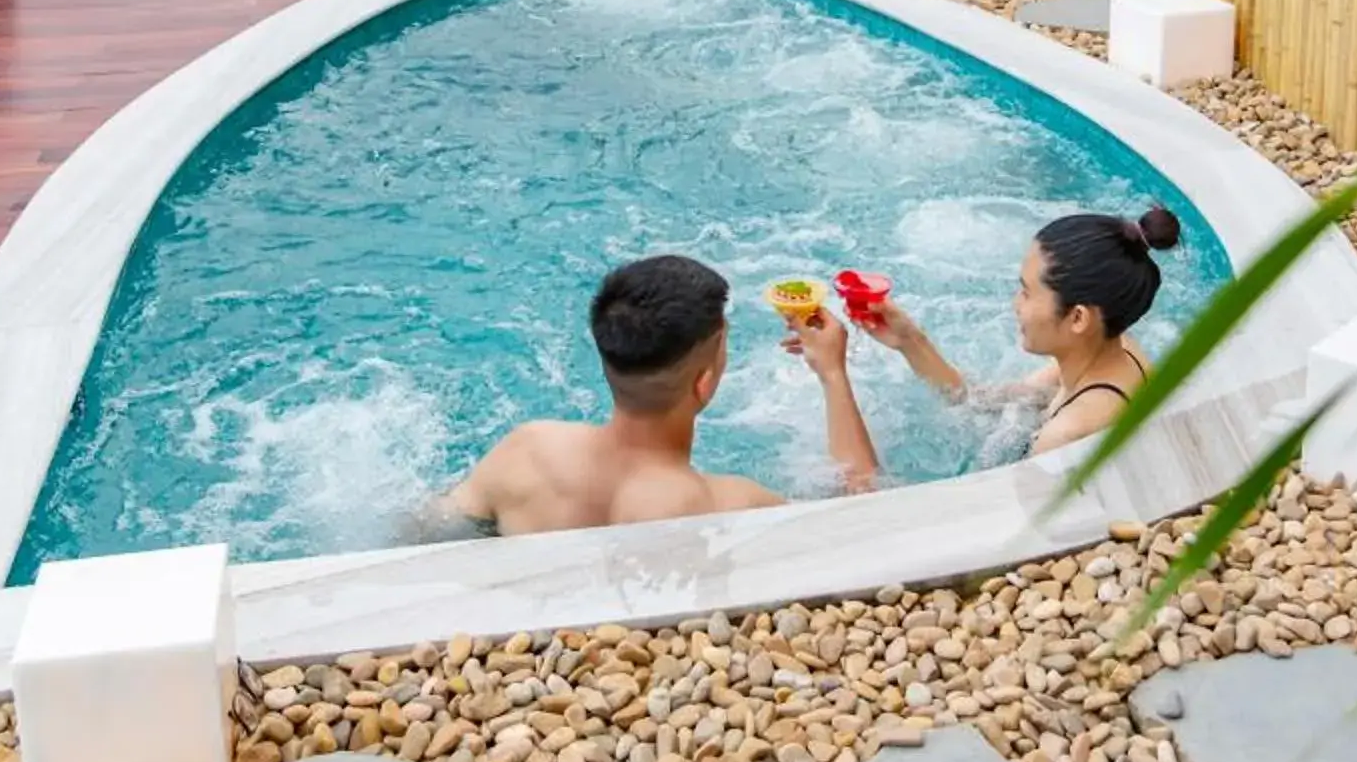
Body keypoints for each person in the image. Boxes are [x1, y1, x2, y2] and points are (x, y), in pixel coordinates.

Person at [439, 253, 882, 537]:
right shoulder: (726, 505)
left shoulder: (527, 451)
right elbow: (860, 523)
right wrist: (832, 374)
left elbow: (430, 528)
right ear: (704, 382)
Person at [830, 205, 1183, 457]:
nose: (1016, 304)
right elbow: (981, 400)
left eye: (1027, 292)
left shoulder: (1064, 438)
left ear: (1077, 319)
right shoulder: (1116, 349)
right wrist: (910, 340)